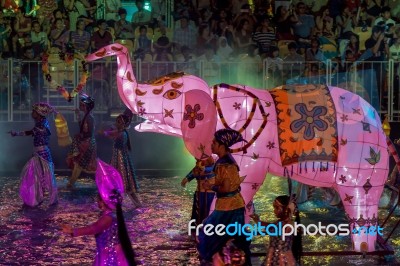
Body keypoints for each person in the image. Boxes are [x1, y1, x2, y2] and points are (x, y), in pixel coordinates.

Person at [198, 128, 252, 266]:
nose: (212, 145)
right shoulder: (223, 161)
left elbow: (227, 188)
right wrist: (210, 182)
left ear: (222, 146)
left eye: (214, 143)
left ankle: (210, 261)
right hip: (231, 205)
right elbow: (223, 182)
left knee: (208, 231)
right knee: (236, 237)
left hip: (228, 207)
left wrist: (210, 187)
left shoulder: (226, 164)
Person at [61, 189, 137, 265]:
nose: (97, 201)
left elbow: (94, 228)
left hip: (110, 256)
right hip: (112, 253)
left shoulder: (108, 218)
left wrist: (73, 231)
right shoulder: (112, 214)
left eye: (98, 199)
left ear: (103, 202)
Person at [9, 102, 58, 207]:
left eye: (34, 111)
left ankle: (49, 199)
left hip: (43, 154)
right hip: (37, 153)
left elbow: (33, 132)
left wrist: (17, 133)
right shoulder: (40, 122)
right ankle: (36, 198)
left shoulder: (43, 124)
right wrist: (17, 133)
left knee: (45, 177)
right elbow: (32, 132)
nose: (32, 113)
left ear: (39, 113)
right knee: (33, 175)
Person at [100, 109, 141, 208]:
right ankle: (118, 203)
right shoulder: (121, 132)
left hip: (120, 160)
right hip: (118, 158)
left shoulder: (121, 133)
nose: (116, 123)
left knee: (123, 183)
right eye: (116, 121)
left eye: (119, 122)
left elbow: (108, 134)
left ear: (123, 125)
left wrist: (104, 131)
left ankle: (136, 204)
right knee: (117, 182)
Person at [250, 195, 302, 266]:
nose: (274, 210)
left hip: (283, 260)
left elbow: (273, 229)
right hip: (273, 258)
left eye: (277, 208)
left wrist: (258, 222)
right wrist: (257, 221)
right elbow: (271, 227)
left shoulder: (289, 225)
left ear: (286, 209)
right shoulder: (279, 222)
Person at [66, 94, 97, 188]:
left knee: (80, 164)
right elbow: (82, 128)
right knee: (78, 163)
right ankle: (71, 182)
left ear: (87, 106)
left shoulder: (90, 117)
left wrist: (81, 136)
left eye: (82, 105)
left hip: (88, 143)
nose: (81, 106)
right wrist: (78, 115)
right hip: (84, 142)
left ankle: (71, 183)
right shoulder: (86, 116)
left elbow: (90, 133)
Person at [181, 155, 216, 231]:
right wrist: (187, 178)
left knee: (208, 212)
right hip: (199, 193)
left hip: (210, 194)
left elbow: (212, 169)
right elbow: (194, 172)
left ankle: (207, 229)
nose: (196, 158)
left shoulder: (214, 164)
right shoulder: (198, 165)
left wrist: (204, 169)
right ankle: (195, 230)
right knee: (197, 212)